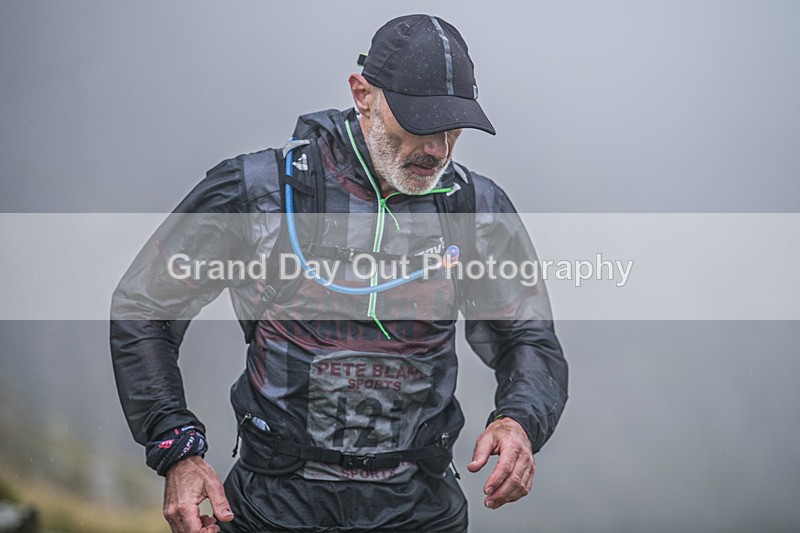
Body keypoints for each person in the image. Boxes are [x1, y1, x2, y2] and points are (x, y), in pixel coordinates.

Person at [111, 14, 568, 533]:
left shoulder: (476, 208)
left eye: (454, 126)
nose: (439, 148)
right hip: (271, 508)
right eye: (421, 122)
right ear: (362, 94)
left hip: (420, 510)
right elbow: (145, 307)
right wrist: (175, 448)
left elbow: (528, 336)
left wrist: (519, 421)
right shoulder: (261, 192)